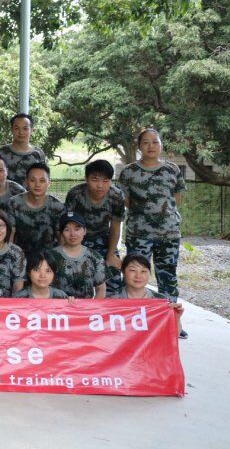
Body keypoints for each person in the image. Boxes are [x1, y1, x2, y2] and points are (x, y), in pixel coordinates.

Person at [117, 128, 186, 330]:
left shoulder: (172, 169)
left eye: (155, 142)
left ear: (161, 145)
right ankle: (134, 320)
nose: (151, 146)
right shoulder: (129, 172)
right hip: (139, 233)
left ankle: (171, 321)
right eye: (146, 142)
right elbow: (126, 200)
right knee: (134, 275)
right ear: (139, 146)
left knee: (168, 276)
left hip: (168, 233)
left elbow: (177, 199)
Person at [65, 159, 125, 295]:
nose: (100, 186)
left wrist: (110, 255)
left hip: (104, 239)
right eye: (95, 180)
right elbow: (67, 225)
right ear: (86, 179)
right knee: (75, 281)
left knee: (114, 279)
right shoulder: (75, 194)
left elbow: (115, 226)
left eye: (105, 181)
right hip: (78, 239)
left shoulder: (116, 195)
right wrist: (67, 252)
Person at [111, 252, 186, 338]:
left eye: (143, 271)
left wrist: (176, 318)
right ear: (123, 272)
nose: (138, 276)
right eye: (132, 270)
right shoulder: (112, 301)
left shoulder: (161, 301)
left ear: (149, 273)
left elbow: (173, 335)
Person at [7, 162, 65, 260]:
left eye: (42, 180)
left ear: (49, 183)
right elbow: (10, 235)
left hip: (48, 257)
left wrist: (59, 261)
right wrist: (12, 259)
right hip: (20, 256)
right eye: (33, 180)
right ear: (26, 182)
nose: (37, 185)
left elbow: (61, 238)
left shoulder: (58, 207)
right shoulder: (13, 203)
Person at [51, 212, 106, 299]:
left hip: (86, 306)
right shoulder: (51, 256)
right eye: (67, 230)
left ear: (85, 231)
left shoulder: (95, 257)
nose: (72, 234)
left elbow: (101, 289)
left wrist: (92, 307)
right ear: (61, 233)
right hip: (57, 306)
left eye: (77, 229)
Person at [0, 113, 47, 186]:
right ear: (12, 130)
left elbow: (43, 179)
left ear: (32, 131)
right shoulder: (1, 153)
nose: (21, 132)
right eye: (17, 128)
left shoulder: (38, 154)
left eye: (25, 128)